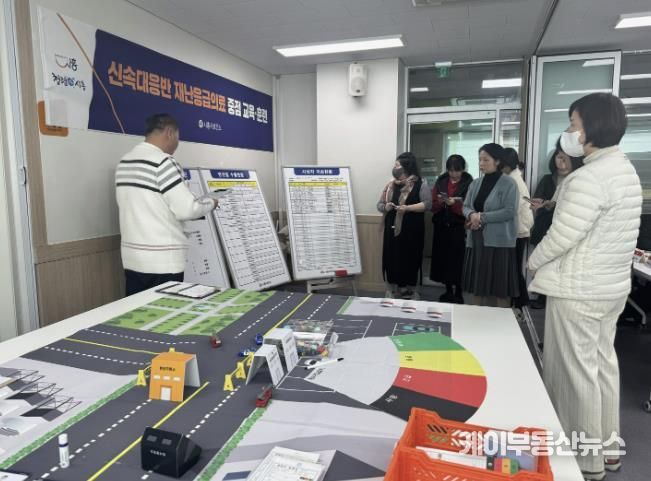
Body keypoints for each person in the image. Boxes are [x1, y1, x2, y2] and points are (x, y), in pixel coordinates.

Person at [528, 93, 642, 481]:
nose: (569, 132)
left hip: (578, 291)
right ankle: (607, 452)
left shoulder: (588, 178)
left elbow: (562, 236)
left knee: (574, 377)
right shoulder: (624, 169)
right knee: (602, 369)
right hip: (610, 289)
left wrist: (533, 261)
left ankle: (584, 462)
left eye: (573, 124)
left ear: (592, 128)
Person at [116, 114, 219, 296]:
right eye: (178, 137)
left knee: (138, 310)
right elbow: (187, 209)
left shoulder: (125, 162)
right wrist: (211, 203)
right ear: (170, 133)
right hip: (163, 262)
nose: (177, 143)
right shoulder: (164, 162)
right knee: (165, 311)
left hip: (132, 260)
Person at [461, 143, 519, 307]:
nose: (481, 163)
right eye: (480, 159)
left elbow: (509, 211)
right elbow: (466, 206)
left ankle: (503, 319)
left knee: (500, 286)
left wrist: (481, 217)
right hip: (477, 239)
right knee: (478, 284)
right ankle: (476, 318)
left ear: (497, 161)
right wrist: (471, 215)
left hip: (499, 242)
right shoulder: (475, 183)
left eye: (486, 160)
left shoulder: (509, 183)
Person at [529, 139, 584, 309]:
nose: (561, 162)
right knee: (543, 264)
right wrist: (541, 205)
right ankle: (542, 296)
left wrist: (553, 205)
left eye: (565, 158)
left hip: (565, 230)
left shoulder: (578, 180)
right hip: (545, 226)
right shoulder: (547, 179)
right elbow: (537, 200)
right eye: (559, 157)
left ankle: (554, 297)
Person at [377, 152, 432, 299]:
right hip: (392, 229)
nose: (394, 168)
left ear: (406, 167)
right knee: (392, 258)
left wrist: (407, 208)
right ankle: (394, 289)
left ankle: (410, 290)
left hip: (412, 230)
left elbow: (428, 204)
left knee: (410, 258)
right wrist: (386, 207)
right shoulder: (390, 185)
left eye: (397, 165)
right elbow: (379, 205)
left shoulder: (421, 184)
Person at [430, 155, 473, 304]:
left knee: (458, 260)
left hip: (458, 226)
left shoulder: (469, 183)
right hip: (442, 225)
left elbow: (470, 207)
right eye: (450, 170)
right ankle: (448, 290)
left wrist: (453, 204)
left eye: (457, 171)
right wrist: (441, 202)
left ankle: (459, 292)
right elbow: (433, 204)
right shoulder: (441, 181)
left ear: (463, 169)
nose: (454, 174)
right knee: (443, 259)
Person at [501, 148, 534, 309]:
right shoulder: (513, 177)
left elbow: (513, 208)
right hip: (519, 230)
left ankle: (521, 301)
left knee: (513, 269)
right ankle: (518, 300)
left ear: (507, 165)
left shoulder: (514, 181)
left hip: (519, 232)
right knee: (513, 268)